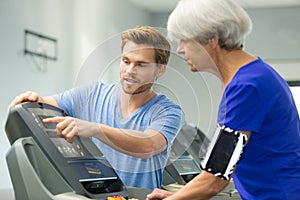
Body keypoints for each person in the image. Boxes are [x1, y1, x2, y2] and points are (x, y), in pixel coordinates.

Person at [146, 0, 300, 199]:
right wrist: (178, 194)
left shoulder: (246, 86)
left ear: (211, 39)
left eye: (184, 40)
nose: (180, 50)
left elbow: (215, 179)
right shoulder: (253, 75)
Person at [9, 26, 184, 190]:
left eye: (140, 64)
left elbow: (149, 146)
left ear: (160, 70)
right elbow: (45, 105)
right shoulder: (92, 94)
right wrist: (32, 99)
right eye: (126, 61)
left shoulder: (168, 111)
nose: (130, 70)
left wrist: (95, 129)